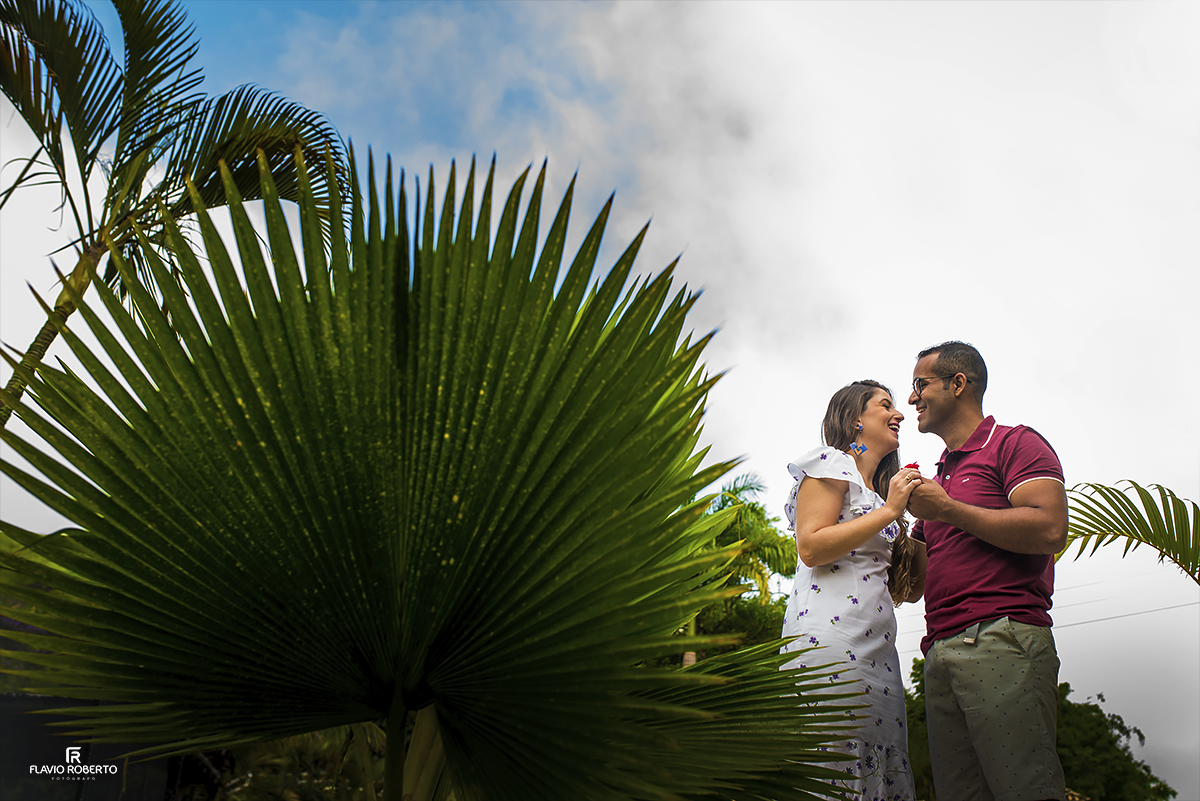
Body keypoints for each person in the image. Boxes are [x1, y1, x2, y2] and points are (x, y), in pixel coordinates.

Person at [905, 341, 1069, 801]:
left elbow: (1051, 527)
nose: (912, 398)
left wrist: (948, 509)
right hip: (938, 655)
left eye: (920, 384)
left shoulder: (1015, 443)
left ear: (959, 384)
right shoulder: (936, 485)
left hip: (1002, 638)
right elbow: (912, 587)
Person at [781, 380, 925, 801]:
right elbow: (811, 546)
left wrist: (926, 521)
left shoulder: (883, 497)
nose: (898, 414)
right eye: (886, 405)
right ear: (856, 419)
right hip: (829, 642)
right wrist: (890, 511)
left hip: (879, 657)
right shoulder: (829, 464)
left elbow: (910, 591)